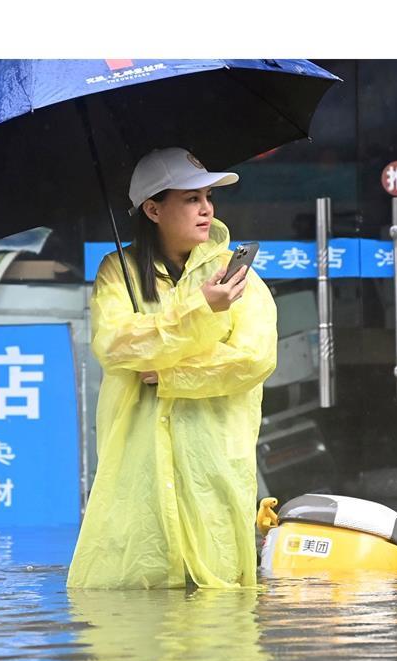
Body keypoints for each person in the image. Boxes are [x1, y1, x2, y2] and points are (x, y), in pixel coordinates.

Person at [66, 147, 278, 589]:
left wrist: (168, 375)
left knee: (222, 606)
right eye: (191, 199)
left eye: (208, 197)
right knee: (134, 600)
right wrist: (202, 311)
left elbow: (254, 358)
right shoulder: (117, 273)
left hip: (214, 460)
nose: (207, 209)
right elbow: (114, 344)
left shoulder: (235, 276)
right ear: (153, 209)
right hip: (137, 462)